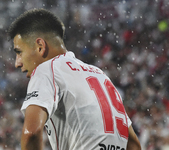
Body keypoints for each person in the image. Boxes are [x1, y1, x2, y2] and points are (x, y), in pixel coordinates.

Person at [8, 8, 141, 150]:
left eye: (19, 52)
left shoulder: (46, 69)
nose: (17, 63)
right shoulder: (100, 75)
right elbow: (133, 144)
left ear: (40, 46)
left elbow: (31, 133)